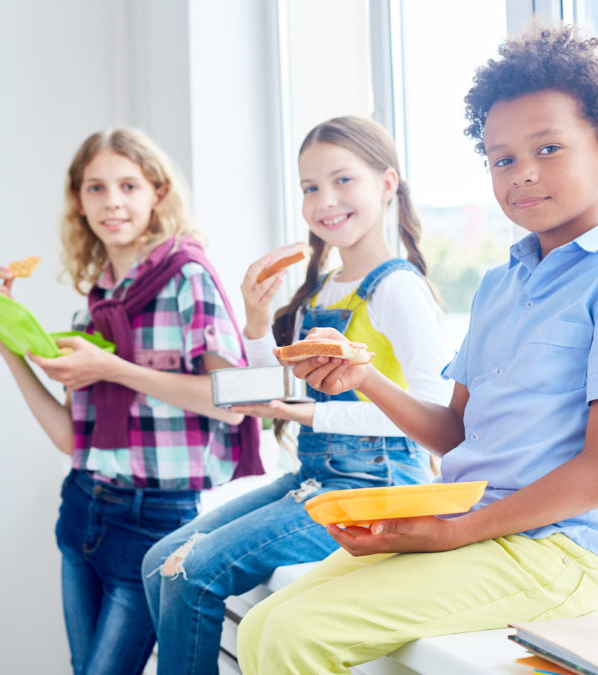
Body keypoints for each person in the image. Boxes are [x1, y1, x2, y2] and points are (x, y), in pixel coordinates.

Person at [235, 24, 598, 674]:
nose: (522, 173)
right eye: (502, 158)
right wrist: (365, 376)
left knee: (293, 636)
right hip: (473, 525)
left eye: (549, 148)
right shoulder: (498, 285)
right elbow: (455, 432)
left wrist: (452, 532)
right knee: (262, 625)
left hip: (556, 552)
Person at [141, 115, 452, 675]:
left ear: (387, 184)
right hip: (318, 476)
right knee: (160, 560)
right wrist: (257, 323)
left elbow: (433, 415)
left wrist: (312, 412)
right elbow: (280, 392)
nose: (324, 200)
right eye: (310, 187)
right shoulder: (324, 287)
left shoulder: (397, 288)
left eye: (342, 181)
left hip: (379, 485)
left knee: (191, 573)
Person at [0, 127, 260, 675]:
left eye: (128, 185)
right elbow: (69, 438)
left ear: (157, 191)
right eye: (96, 188)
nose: (113, 202)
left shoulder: (188, 278)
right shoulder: (99, 301)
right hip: (83, 507)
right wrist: (1, 336)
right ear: (78, 202)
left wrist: (111, 368)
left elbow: (233, 404)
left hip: (156, 520)